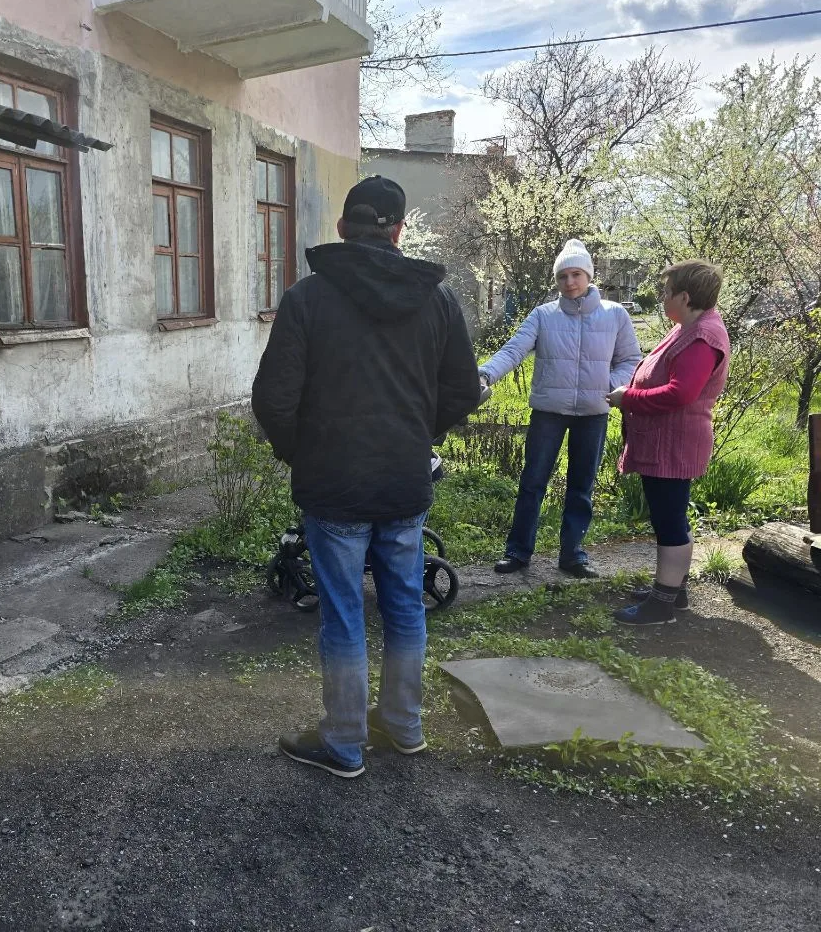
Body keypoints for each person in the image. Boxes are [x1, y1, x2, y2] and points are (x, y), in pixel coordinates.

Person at [252, 175, 481, 778]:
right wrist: (418, 435)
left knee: (344, 612)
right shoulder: (437, 300)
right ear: (399, 231)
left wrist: (303, 453)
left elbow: (273, 399)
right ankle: (403, 726)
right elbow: (464, 389)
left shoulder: (307, 298)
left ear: (341, 228)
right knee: (405, 605)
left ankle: (344, 743)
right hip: (404, 480)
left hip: (334, 486)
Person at [479, 239, 641, 578]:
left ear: (589, 275)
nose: (569, 282)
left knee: (582, 486)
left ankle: (573, 555)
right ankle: (518, 552)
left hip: (594, 413)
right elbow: (513, 350)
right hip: (549, 413)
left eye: (576, 274)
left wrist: (608, 385)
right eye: (562, 276)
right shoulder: (543, 315)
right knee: (532, 482)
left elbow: (630, 359)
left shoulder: (615, 314)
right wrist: (484, 374)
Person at [608, 260, 730, 625]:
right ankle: (674, 591)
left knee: (669, 521)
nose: (662, 297)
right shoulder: (689, 328)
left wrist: (628, 398)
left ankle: (661, 606)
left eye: (667, 291)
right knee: (669, 517)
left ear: (685, 297)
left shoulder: (702, 337)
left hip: (673, 445)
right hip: (665, 442)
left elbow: (681, 393)